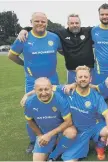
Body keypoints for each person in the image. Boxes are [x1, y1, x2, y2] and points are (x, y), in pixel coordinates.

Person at [8, 12, 62, 153]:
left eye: (43, 21)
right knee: (31, 108)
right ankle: (33, 141)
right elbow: (11, 55)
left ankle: (57, 137)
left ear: (47, 22)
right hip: (32, 81)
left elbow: (64, 50)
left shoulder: (54, 38)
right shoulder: (24, 37)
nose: (40, 23)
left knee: (56, 108)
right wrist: (24, 65)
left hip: (52, 80)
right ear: (31, 22)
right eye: (37, 21)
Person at [17, 14, 108, 84]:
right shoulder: (60, 33)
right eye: (72, 23)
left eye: (77, 23)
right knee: (72, 95)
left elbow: (104, 24)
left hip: (89, 70)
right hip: (72, 72)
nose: (74, 25)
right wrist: (25, 29)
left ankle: (93, 117)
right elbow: (41, 28)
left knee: (92, 93)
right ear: (67, 24)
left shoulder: (88, 31)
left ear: (80, 23)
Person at [58, 66, 108, 161]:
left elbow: (107, 115)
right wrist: (28, 95)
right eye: (80, 77)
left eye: (85, 77)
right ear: (76, 79)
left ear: (90, 79)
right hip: (77, 129)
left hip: (94, 126)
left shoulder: (96, 96)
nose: (83, 79)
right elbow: (49, 87)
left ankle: (100, 146)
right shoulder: (68, 90)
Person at [23, 78, 76, 161]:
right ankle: (54, 145)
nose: (43, 93)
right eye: (40, 90)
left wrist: (49, 135)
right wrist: (40, 135)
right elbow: (30, 121)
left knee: (71, 132)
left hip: (61, 132)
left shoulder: (60, 99)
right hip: (45, 132)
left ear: (51, 88)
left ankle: (57, 149)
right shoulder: (29, 102)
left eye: (46, 89)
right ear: (35, 90)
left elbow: (68, 122)